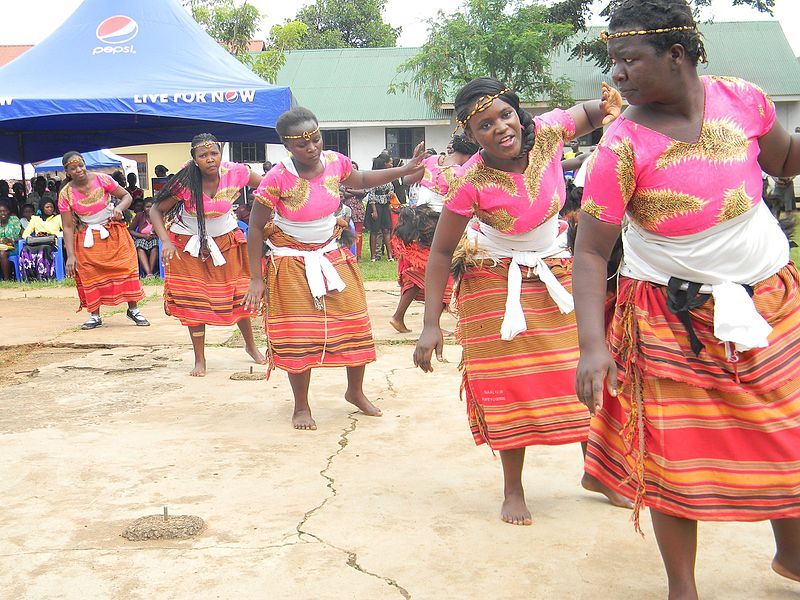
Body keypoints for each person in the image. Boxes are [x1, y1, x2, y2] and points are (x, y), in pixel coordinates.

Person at [572, 1, 800, 596]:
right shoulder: (619, 145)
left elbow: (782, 160)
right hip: (668, 316)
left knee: (790, 431)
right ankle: (682, 586)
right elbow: (592, 251)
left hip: (770, 299)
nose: (616, 74)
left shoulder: (743, 99)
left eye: (629, 60)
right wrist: (593, 348)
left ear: (677, 55)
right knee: (677, 450)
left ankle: (793, 555)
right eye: (612, 61)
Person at [413, 76, 625, 526]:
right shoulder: (468, 180)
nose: (501, 128)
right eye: (485, 125)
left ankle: (598, 473)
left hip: (555, 269)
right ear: (471, 136)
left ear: (518, 112)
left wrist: (607, 103)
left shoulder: (548, 132)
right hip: (493, 278)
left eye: (506, 114)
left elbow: (587, 113)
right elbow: (440, 253)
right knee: (509, 384)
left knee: (582, 370)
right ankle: (513, 488)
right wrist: (431, 323)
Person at [244, 106, 424, 431]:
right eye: (302, 144)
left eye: (315, 139)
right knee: (299, 334)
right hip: (289, 261)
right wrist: (256, 277)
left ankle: (355, 392)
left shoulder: (335, 162)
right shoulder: (276, 178)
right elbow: (255, 228)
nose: (311, 147)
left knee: (354, 322)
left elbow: (364, 178)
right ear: (287, 146)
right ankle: (301, 406)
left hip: (332, 255)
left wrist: (405, 168)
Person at [150, 133, 266, 377]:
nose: (210, 159)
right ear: (194, 159)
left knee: (239, 295)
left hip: (227, 241)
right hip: (188, 245)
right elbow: (155, 210)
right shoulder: (184, 181)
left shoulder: (236, 172)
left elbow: (269, 187)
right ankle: (200, 359)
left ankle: (251, 346)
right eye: (203, 155)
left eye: (214, 153)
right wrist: (165, 241)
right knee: (195, 300)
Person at [390, 134, 478, 333]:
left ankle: (400, 317)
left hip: (415, 225)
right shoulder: (460, 173)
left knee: (419, 273)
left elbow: (407, 179)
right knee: (442, 275)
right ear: (469, 156)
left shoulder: (431, 161)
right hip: (437, 229)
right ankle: (431, 325)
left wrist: (416, 162)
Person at [58, 151, 149, 329]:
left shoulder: (102, 179)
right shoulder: (65, 194)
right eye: (73, 168)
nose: (79, 170)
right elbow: (68, 227)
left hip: (113, 231)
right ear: (67, 172)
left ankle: (133, 309)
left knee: (127, 267)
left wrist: (120, 208)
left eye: (81, 165)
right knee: (90, 273)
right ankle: (95, 315)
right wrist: (70, 255)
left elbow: (127, 196)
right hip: (87, 237)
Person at [363, 154, 395, 262]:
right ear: (384, 164)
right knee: (375, 230)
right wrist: (374, 210)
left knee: (386, 229)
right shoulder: (374, 176)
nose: (391, 164)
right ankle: (373, 256)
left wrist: (391, 193)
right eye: (390, 162)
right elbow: (371, 193)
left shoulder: (388, 175)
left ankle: (390, 255)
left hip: (385, 204)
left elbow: (391, 188)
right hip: (375, 204)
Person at [20, 199, 62, 281]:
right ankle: (29, 277)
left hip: (51, 243)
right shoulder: (35, 219)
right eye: (47, 207)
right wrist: (34, 237)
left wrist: (54, 235)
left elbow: (64, 232)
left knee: (43, 249)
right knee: (25, 249)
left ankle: (44, 277)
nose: (50, 209)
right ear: (42, 208)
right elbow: (25, 234)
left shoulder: (58, 218)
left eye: (51, 207)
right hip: (37, 242)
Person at [341, 161, 367, 259]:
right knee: (346, 232)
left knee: (358, 233)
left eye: (355, 168)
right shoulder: (342, 181)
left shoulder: (359, 182)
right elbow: (343, 194)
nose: (353, 170)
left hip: (358, 211)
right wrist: (356, 192)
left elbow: (363, 192)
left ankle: (358, 254)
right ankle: (347, 253)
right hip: (344, 211)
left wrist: (350, 191)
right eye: (351, 168)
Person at [129, 198, 158, 278]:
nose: (149, 209)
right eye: (147, 207)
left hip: (155, 238)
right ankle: (148, 273)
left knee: (155, 247)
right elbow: (130, 230)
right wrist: (144, 236)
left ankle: (151, 272)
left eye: (151, 207)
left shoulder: (158, 215)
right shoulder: (139, 216)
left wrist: (154, 232)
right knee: (139, 246)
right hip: (142, 238)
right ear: (144, 208)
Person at [0, 202, 22, 280]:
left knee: (2, 254)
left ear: (9, 211)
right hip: (2, 247)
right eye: (0, 211)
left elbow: (18, 236)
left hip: (14, 247)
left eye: (5, 211)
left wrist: (9, 240)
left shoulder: (14, 220)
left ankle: (7, 279)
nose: (3, 213)